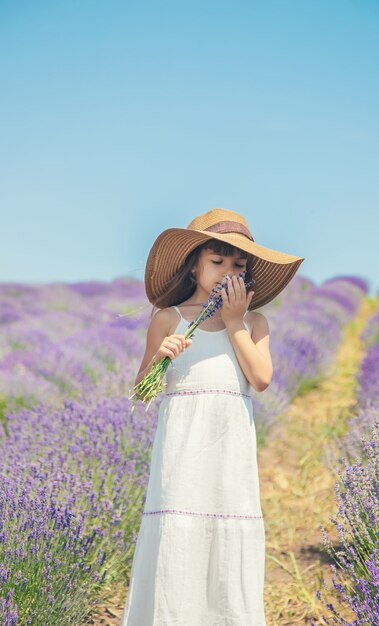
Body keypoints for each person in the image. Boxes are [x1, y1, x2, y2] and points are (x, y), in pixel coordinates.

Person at [120, 208, 305, 625]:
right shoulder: (170, 318)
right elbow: (140, 388)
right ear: (195, 264)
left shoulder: (256, 322)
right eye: (217, 262)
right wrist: (161, 357)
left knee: (226, 533)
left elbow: (261, 379)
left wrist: (234, 321)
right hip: (182, 453)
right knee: (178, 534)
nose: (227, 271)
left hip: (229, 455)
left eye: (238, 265)